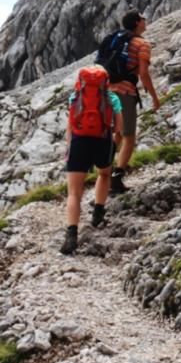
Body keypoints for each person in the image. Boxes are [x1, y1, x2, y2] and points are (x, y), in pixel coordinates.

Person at [60, 64, 123, 255]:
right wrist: (114, 145)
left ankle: (71, 235)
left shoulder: (75, 97)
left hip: (79, 142)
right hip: (102, 140)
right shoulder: (112, 98)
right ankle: (98, 211)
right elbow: (118, 128)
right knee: (104, 174)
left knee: (73, 192)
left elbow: (70, 126)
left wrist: (70, 147)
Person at [104, 9, 161, 194]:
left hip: (107, 91)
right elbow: (143, 73)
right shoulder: (142, 44)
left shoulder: (117, 40)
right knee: (129, 137)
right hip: (125, 93)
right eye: (143, 19)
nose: (146, 21)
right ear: (137, 22)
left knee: (117, 134)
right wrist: (154, 97)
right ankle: (116, 179)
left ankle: (105, 170)